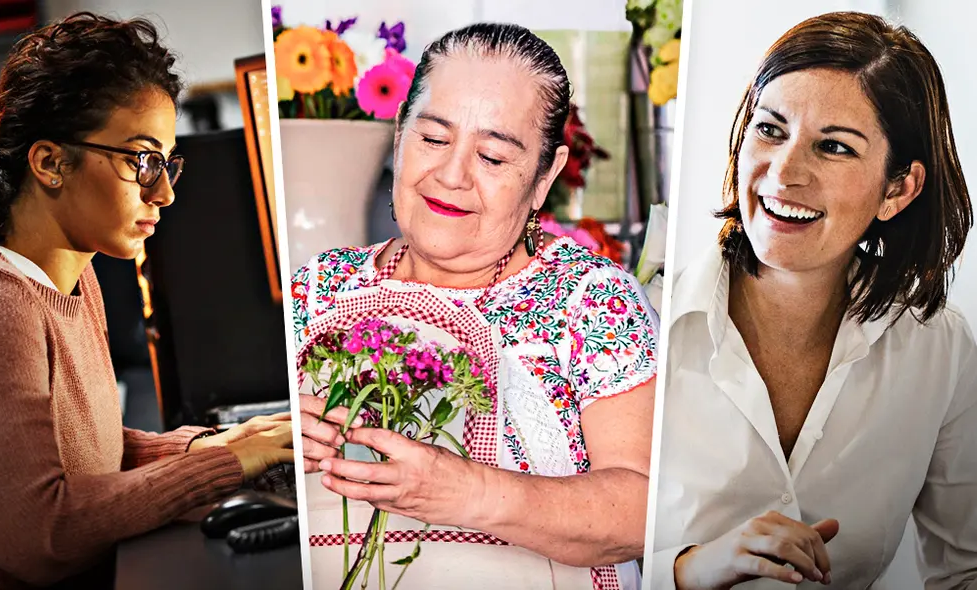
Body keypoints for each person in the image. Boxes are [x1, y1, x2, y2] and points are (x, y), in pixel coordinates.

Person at [292, 23, 657, 590]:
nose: (451, 175)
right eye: (433, 139)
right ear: (399, 135)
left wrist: (464, 491)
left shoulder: (593, 298)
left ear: (545, 176)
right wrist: (282, 448)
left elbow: (642, 510)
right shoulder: (318, 286)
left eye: (492, 156)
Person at [651, 11, 977, 590]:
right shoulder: (644, 321)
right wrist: (686, 570)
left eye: (833, 147)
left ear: (898, 189)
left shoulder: (941, 348)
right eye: (770, 129)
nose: (784, 173)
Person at [0, 13, 293, 590]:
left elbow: (82, 452)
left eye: (166, 163)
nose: (164, 192)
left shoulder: (76, 280)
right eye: (141, 160)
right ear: (49, 163)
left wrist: (219, 444)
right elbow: (38, 534)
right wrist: (222, 466)